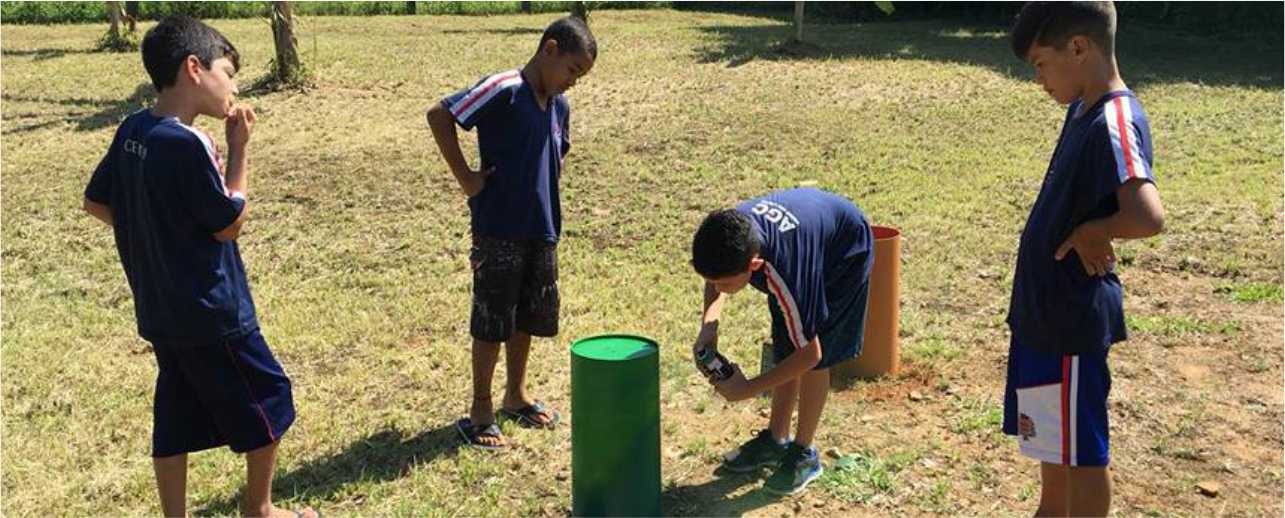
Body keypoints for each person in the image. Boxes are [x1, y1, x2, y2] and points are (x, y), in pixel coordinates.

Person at [82, 16, 316, 518]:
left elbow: (96, 202)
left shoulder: (132, 130)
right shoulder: (188, 144)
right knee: (270, 397)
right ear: (194, 68)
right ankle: (261, 510)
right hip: (213, 311)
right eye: (227, 73)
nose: (233, 86)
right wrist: (239, 149)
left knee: (176, 412)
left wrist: (155, 241)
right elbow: (229, 222)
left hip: (161, 309)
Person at [1004, 3, 1166, 516]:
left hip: (1071, 324)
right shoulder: (1081, 108)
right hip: (1042, 317)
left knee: (1084, 457)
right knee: (1049, 443)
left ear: (1079, 47)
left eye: (1039, 64)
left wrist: (1096, 230)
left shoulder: (1115, 117)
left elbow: (1146, 216)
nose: (1039, 80)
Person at [426, 16, 596, 450]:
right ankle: (480, 409)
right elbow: (440, 115)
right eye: (573, 71)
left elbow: (556, 157)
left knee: (528, 315)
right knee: (491, 319)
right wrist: (467, 178)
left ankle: (515, 395)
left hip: (543, 228)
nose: (573, 83)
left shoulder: (560, 107)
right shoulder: (504, 87)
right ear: (550, 49)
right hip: (498, 228)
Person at [689, 187, 874, 495]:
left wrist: (746, 389)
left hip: (844, 253)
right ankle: (777, 439)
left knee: (814, 352)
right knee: (787, 342)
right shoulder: (729, 235)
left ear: (754, 266)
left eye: (725, 283)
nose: (717, 287)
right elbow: (714, 278)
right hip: (807, 237)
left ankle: (804, 454)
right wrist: (709, 325)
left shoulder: (786, 275)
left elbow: (811, 355)